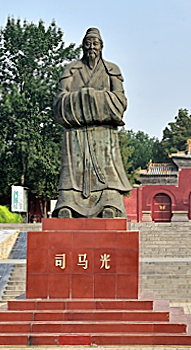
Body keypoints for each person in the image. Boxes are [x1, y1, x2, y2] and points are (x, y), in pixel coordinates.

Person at [52, 28, 132, 218]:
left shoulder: (111, 70)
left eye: (95, 43)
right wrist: (83, 98)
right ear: (83, 45)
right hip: (75, 133)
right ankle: (68, 204)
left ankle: (109, 204)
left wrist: (92, 98)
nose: (91, 47)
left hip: (104, 132)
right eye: (88, 43)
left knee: (108, 173)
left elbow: (120, 102)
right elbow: (59, 102)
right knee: (72, 173)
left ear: (101, 46)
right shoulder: (71, 70)